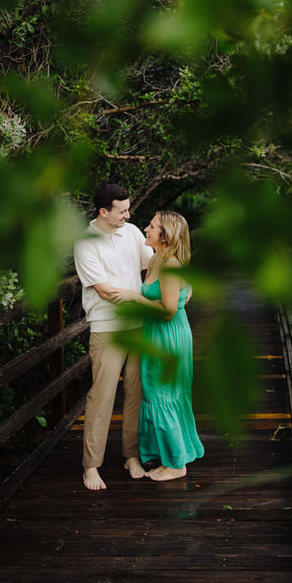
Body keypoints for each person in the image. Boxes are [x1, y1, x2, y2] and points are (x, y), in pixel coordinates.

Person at [73, 183, 153, 491]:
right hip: (106, 327)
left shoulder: (131, 232)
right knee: (102, 395)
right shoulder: (85, 242)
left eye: (128, 209)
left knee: (136, 392)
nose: (128, 215)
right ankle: (91, 466)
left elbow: (152, 264)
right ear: (103, 212)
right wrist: (141, 298)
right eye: (122, 211)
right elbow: (106, 292)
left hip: (137, 326)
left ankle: (131, 455)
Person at [114, 211, 204, 481]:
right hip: (155, 333)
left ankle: (177, 465)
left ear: (165, 237)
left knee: (162, 394)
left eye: (152, 227)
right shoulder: (155, 259)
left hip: (167, 334)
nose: (146, 228)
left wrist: (134, 298)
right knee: (159, 392)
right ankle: (169, 455)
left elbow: (167, 312)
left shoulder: (170, 266)